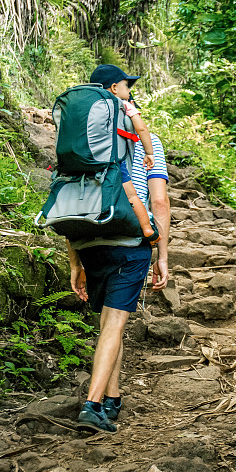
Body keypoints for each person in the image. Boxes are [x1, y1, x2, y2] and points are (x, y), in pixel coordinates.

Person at [67, 81, 171, 433]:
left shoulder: (84, 142)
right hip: (129, 238)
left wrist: (75, 261)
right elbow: (159, 201)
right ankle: (92, 406)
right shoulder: (145, 141)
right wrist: (162, 254)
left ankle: (112, 398)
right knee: (115, 323)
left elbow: (71, 197)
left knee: (109, 323)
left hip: (88, 239)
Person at [90, 64, 160, 246]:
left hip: (90, 161)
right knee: (132, 196)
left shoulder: (89, 107)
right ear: (114, 88)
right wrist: (149, 153)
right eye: (127, 86)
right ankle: (147, 228)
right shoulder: (123, 105)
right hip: (114, 160)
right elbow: (141, 128)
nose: (129, 91)